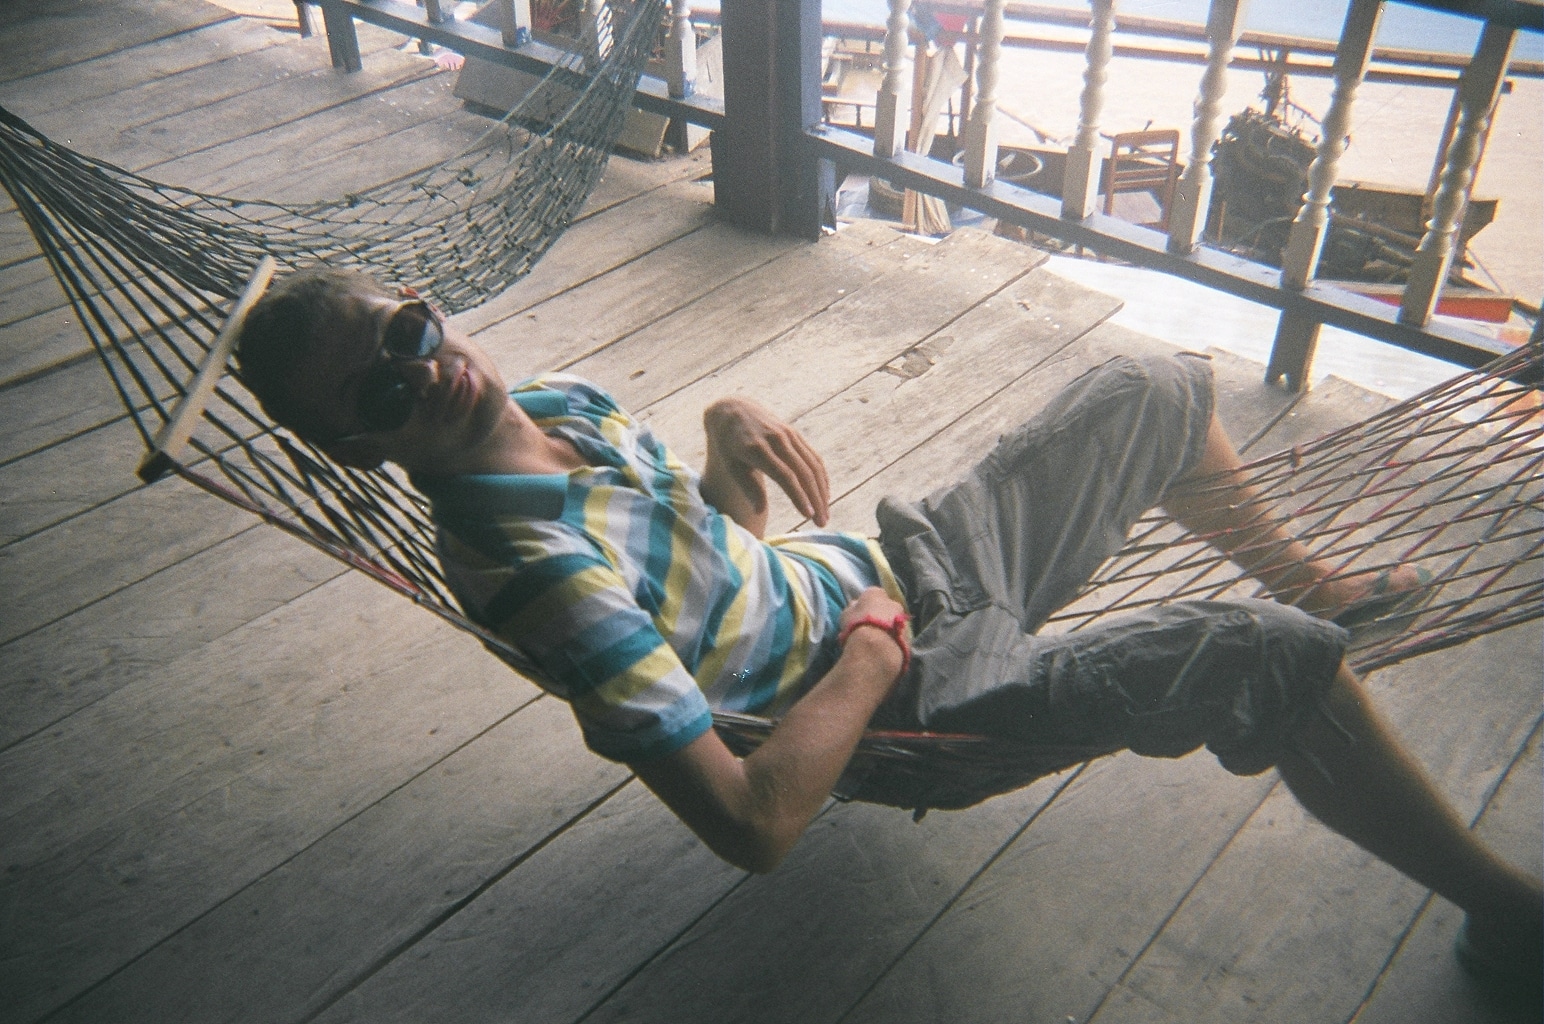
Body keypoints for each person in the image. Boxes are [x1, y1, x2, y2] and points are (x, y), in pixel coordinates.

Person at [236, 267, 1541, 988]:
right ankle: (1507, 913)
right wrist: (872, 651)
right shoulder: (537, 579)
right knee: (1258, 661)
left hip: (892, 569)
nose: (426, 366)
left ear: (423, 298)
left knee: (1158, 382)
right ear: (356, 446)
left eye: (406, 328)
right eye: (383, 388)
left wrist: (723, 446)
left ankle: (1310, 572)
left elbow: (698, 577)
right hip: (907, 704)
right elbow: (750, 821)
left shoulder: (562, 405)